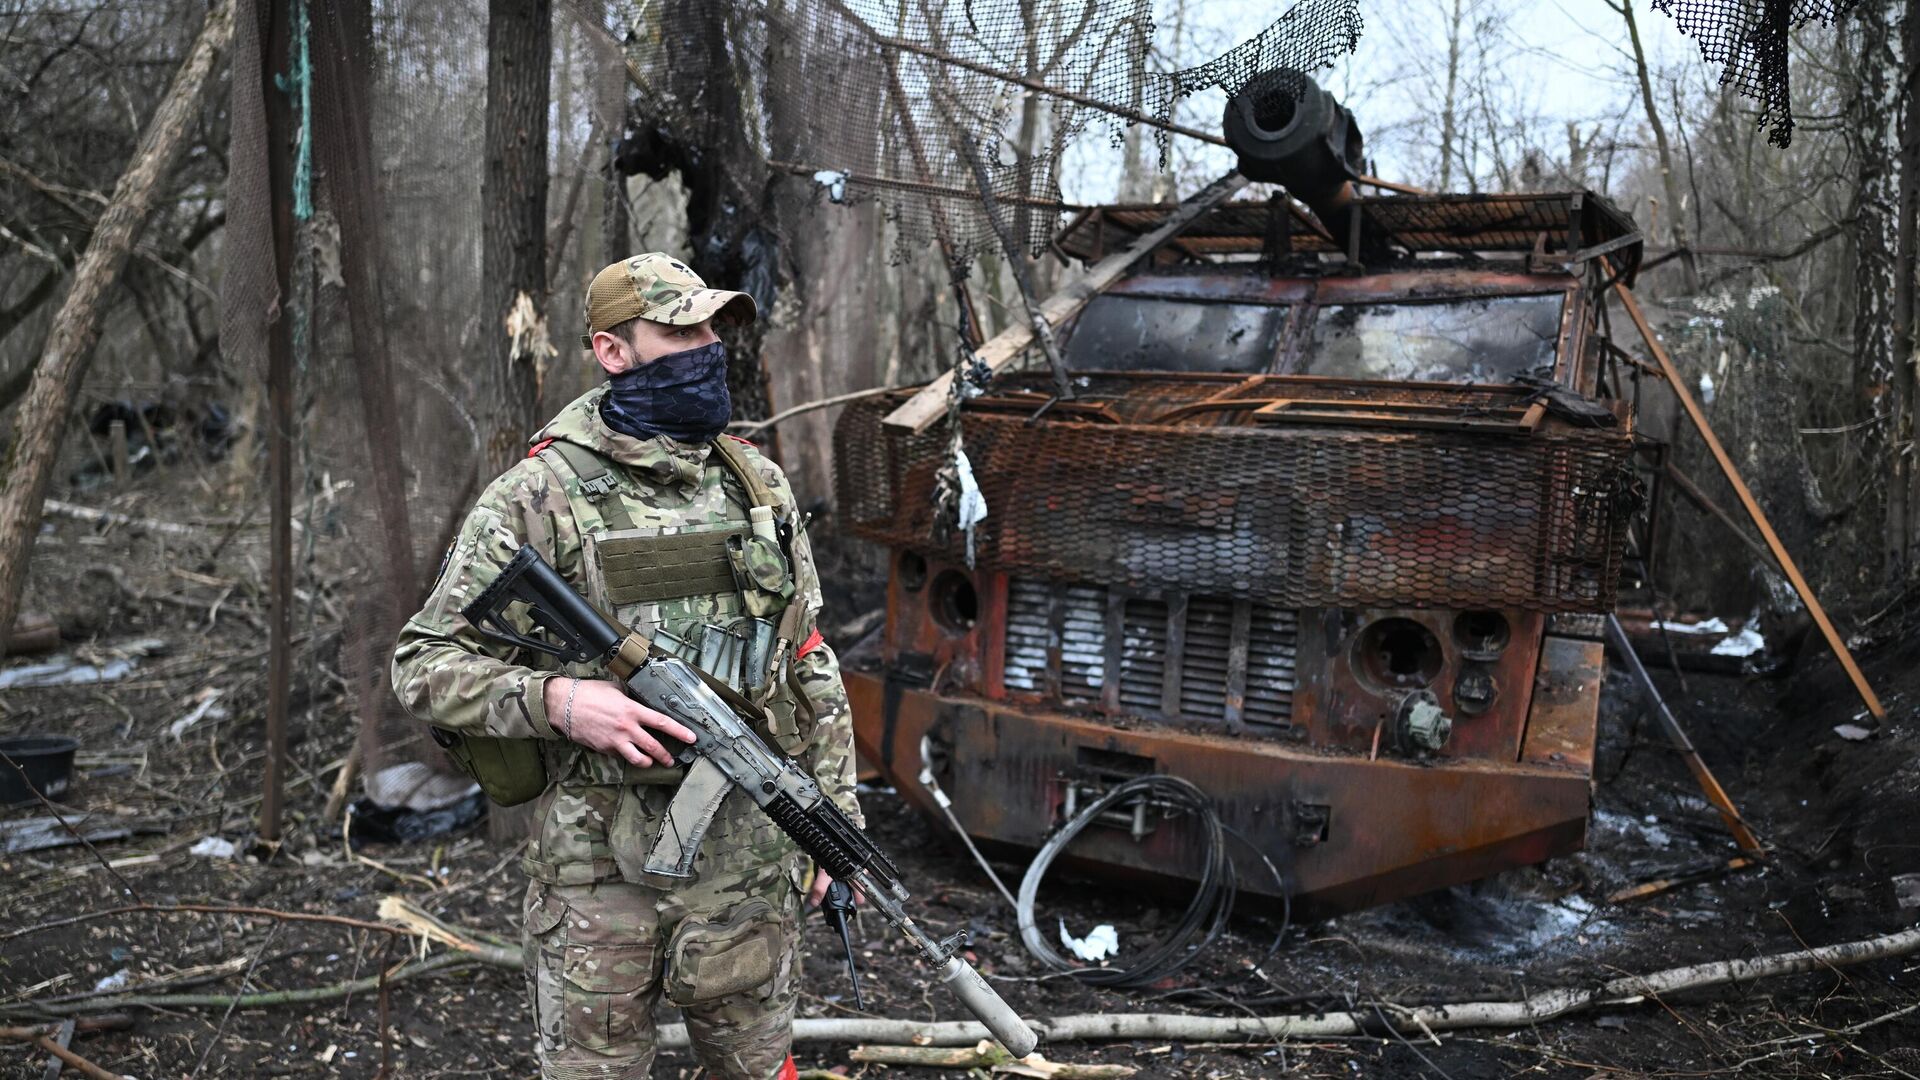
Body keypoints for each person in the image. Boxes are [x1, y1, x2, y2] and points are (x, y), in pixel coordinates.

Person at [392, 253, 862, 1080]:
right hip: (597, 875)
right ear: (614, 352)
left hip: (750, 865)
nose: (706, 346)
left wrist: (834, 826)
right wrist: (561, 702)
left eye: (711, 327)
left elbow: (807, 660)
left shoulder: (760, 486)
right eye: (679, 330)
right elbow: (422, 663)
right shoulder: (538, 495)